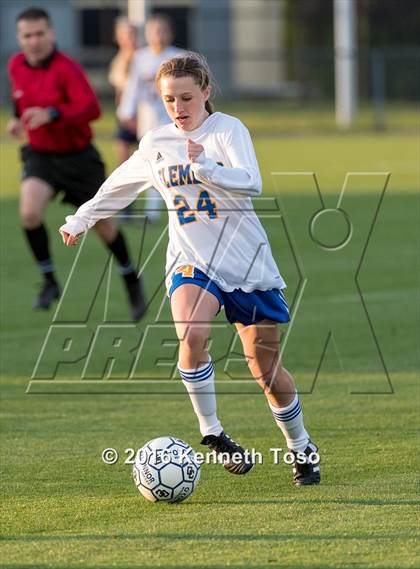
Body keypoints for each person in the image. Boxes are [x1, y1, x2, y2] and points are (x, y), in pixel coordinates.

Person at [60, 52, 320, 486]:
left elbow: (251, 181)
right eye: (168, 100)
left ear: (205, 92)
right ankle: (214, 434)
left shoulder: (227, 130)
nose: (178, 108)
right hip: (191, 261)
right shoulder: (157, 142)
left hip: (246, 263)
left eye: (185, 97)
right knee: (192, 333)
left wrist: (206, 168)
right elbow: (120, 184)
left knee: (266, 370)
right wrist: (81, 218)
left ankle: (300, 446)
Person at [7, 7, 146, 320]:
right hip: (41, 155)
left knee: (102, 226)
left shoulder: (67, 68)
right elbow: (20, 100)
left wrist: (53, 113)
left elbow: (91, 109)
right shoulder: (16, 64)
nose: (34, 40)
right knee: (29, 213)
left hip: (78, 158)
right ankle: (49, 281)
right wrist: (18, 120)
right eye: (28, 35)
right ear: (20, 38)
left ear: (52, 34)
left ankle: (131, 281)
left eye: (40, 33)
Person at [117, 13, 183, 223]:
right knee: (154, 165)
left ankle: (157, 211)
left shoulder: (179, 57)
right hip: (148, 122)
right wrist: (126, 113)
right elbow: (132, 88)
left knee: (172, 165)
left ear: (171, 33)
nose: (158, 35)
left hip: (174, 121)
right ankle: (151, 211)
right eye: (154, 30)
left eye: (163, 30)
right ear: (147, 33)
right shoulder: (140, 57)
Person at [108, 17, 139, 166]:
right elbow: (120, 91)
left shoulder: (144, 57)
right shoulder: (118, 61)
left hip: (145, 114)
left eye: (132, 34)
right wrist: (122, 114)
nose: (130, 38)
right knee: (123, 152)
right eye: (125, 35)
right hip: (126, 115)